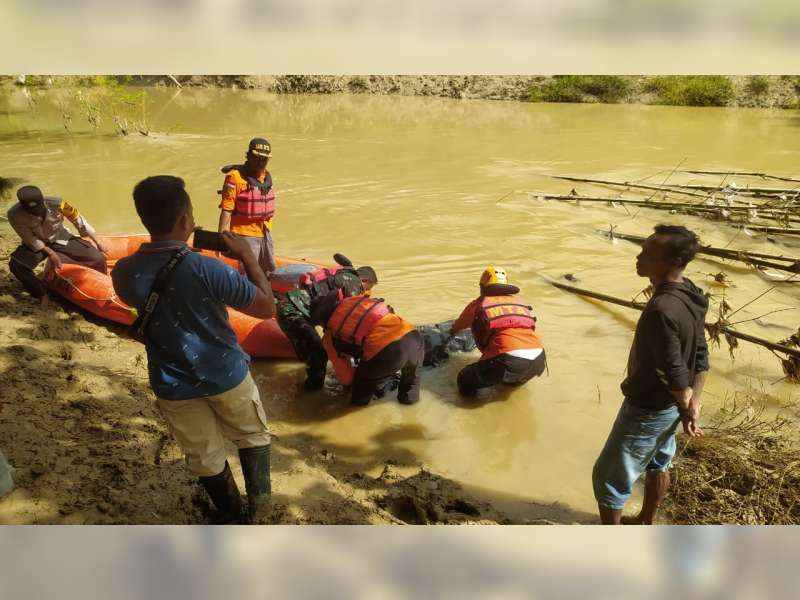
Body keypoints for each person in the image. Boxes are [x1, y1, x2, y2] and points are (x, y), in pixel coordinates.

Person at [111, 175, 277, 524]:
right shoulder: (207, 267)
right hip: (227, 374)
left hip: (172, 382)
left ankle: (231, 515)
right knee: (252, 435)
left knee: (204, 454)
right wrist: (247, 257)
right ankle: (261, 510)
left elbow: (140, 300)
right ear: (186, 222)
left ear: (145, 220)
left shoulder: (125, 272)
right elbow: (266, 308)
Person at [592, 224, 709, 525]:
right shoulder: (692, 293)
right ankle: (646, 520)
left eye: (648, 253)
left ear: (673, 262)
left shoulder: (661, 309)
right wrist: (693, 402)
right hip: (671, 406)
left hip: (649, 407)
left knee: (608, 476)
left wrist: (687, 403)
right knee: (659, 461)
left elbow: (673, 371)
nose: (639, 256)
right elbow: (700, 353)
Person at [311, 290, 423, 406]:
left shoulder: (330, 337)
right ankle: (410, 409)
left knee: (359, 395)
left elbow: (347, 379)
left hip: (388, 352)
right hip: (413, 336)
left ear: (322, 321)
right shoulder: (354, 301)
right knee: (410, 390)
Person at [277, 262, 377, 390]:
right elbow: (351, 315)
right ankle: (312, 393)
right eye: (368, 287)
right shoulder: (354, 282)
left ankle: (306, 375)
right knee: (320, 354)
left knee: (309, 352)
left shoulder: (343, 274)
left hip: (289, 308)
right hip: (293, 313)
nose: (366, 291)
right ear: (364, 280)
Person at [450, 266, 545, 396]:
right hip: (539, 358)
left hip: (509, 359)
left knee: (464, 379)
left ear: (482, 287)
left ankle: (472, 413)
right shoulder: (519, 303)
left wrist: (450, 333)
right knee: (505, 384)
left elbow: (457, 327)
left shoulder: (478, 304)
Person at [6, 185, 108, 299]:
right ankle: (42, 293)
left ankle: (104, 287)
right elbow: (29, 239)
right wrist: (51, 253)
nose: (37, 213)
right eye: (32, 211)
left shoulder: (58, 203)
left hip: (60, 237)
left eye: (39, 209)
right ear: (22, 207)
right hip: (37, 243)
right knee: (16, 265)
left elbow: (77, 219)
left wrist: (97, 240)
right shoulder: (14, 215)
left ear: (43, 200)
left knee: (97, 258)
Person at [218, 137, 277, 275]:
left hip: (265, 232)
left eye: (264, 159)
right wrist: (221, 238)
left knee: (268, 270)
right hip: (244, 235)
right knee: (248, 274)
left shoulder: (265, 176)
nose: (261, 162)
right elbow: (227, 209)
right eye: (257, 158)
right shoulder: (235, 178)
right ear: (249, 155)